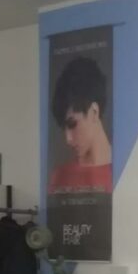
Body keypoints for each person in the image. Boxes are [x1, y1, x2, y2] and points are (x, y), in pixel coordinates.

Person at [48, 57, 113, 194]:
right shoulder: (61, 176)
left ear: (94, 112)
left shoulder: (126, 169)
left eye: (72, 124)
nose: (68, 139)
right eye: (64, 128)